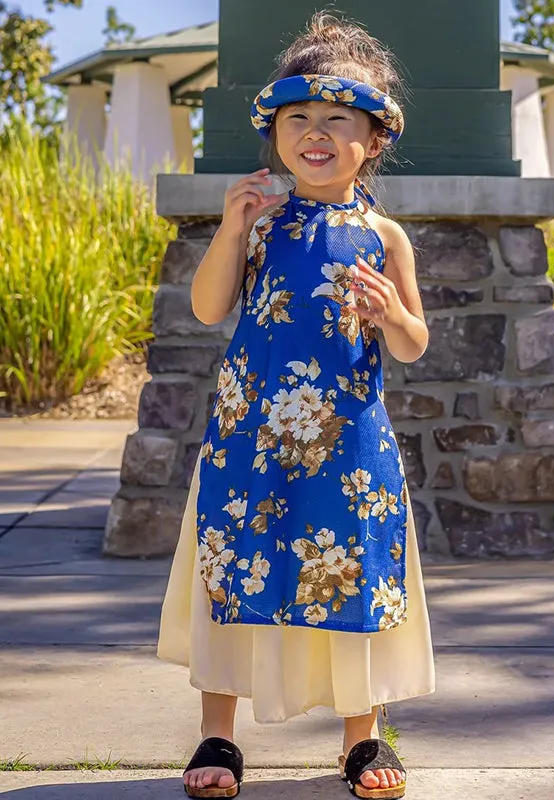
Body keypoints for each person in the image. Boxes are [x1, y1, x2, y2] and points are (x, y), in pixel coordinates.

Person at [158, 10, 435, 799]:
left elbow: (415, 344)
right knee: (236, 568)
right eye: (297, 118)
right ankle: (218, 735)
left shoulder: (385, 236)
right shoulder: (260, 222)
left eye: (336, 118)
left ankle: (363, 741)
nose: (315, 132)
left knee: (352, 570)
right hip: (253, 436)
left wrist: (393, 314)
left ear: (374, 137)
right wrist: (228, 228)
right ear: (276, 133)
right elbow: (211, 308)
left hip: (347, 449)